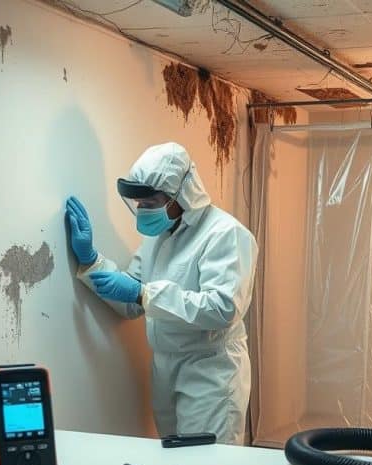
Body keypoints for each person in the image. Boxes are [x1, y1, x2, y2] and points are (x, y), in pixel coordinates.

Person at [65, 142, 257, 445]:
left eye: (151, 202)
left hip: (210, 371)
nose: (142, 210)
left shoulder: (224, 234)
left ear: (181, 194)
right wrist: (90, 261)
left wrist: (144, 294)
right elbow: (132, 296)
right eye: (139, 203)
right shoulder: (159, 236)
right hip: (166, 367)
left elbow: (223, 308)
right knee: (175, 463)